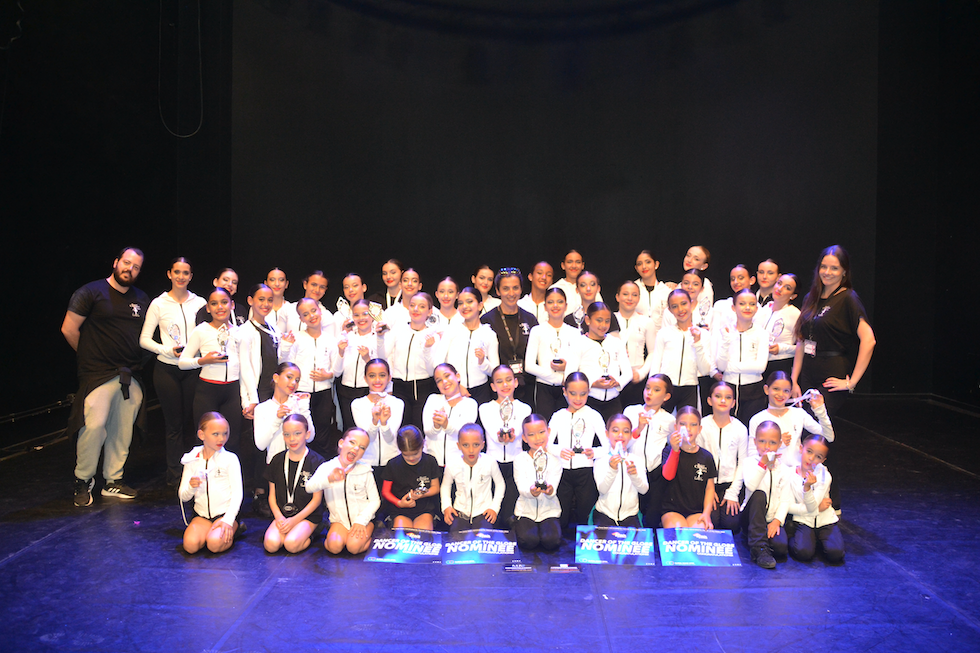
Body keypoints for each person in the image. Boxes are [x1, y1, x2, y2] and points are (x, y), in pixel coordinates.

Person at [63, 246, 149, 506]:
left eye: (135, 266)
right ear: (116, 262)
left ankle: (113, 480)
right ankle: (83, 479)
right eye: (126, 263)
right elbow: (69, 329)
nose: (129, 269)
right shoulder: (91, 292)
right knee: (94, 426)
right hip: (98, 374)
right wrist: (90, 356)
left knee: (122, 431)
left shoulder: (142, 298)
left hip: (129, 374)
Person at [140, 257, 206, 487]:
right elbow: (144, 340)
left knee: (194, 422)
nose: (181, 276)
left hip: (193, 368)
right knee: (173, 424)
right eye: (176, 271)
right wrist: (166, 350)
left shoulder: (200, 303)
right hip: (166, 369)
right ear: (169, 274)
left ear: (191, 276)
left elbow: (207, 333)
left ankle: (196, 471)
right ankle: (174, 474)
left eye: (185, 272)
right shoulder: (159, 304)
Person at [791, 245, 876, 419]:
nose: (827, 272)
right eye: (824, 266)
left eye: (834, 268)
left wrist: (851, 382)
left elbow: (869, 340)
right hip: (808, 373)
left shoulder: (848, 298)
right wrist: (794, 380)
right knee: (805, 430)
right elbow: (801, 340)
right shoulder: (811, 298)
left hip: (831, 374)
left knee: (817, 428)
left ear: (844, 271)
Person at [179, 287, 243, 458]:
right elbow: (182, 362)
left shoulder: (240, 332)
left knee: (232, 440)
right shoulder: (201, 330)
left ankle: (228, 480)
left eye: (224, 302)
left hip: (232, 391)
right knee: (205, 439)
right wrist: (203, 361)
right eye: (214, 303)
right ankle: (204, 480)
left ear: (232, 305)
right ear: (207, 308)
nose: (220, 307)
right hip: (207, 391)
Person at [281, 297, 342, 454]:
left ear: (320, 311)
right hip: (301, 393)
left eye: (314, 311)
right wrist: (286, 347)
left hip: (323, 393)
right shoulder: (296, 338)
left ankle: (320, 467)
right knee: (302, 431)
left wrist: (328, 375)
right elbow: (287, 365)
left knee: (322, 433)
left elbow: (337, 369)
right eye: (305, 314)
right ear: (301, 318)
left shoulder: (331, 340)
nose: (312, 316)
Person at [305, 427, 379, 554]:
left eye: (362, 447)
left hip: (361, 520)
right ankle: (336, 535)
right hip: (339, 521)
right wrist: (329, 479)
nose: (356, 448)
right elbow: (309, 487)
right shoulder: (327, 467)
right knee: (334, 547)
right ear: (341, 443)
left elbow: (375, 501)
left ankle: (369, 534)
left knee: (353, 547)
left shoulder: (365, 470)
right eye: (352, 442)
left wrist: (362, 521)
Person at [547, 372, 607, 530]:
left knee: (585, 513)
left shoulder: (594, 415)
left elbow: (608, 446)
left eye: (583, 394)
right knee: (561, 515)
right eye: (573, 393)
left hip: (586, 471)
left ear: (589, 392)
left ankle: (586, 541)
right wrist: (558, 450)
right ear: (564, 391)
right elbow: (546, 444)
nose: (578, 399)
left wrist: (595, 452)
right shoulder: (558, 416)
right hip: (562, 471)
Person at [178, 412, 243, 554]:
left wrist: (228, 519)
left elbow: (238, 493)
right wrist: (191, 487)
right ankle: (210, 531)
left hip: (224, 515)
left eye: (225, 433)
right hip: (202, 516)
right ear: (202, 435)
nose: (222, 438)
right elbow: (183, 496)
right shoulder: (192, 459)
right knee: (190, 546)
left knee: (214, 544)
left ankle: (235, 528)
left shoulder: (230, 459)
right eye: (215, 434)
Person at [262, 414, 325, 554]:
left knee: (291, 544)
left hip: (307, 516)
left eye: (297, 433)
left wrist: (294, 521)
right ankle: (291, 531)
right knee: (271, 545)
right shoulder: (277, 460)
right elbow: (271, 495)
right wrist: (279, 517)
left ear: (307, 434)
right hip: (283, 515)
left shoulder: (317, 462)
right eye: (287, 434)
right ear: (283, 436)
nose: (292, 439)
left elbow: (316, 500)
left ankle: (315, 531)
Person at [478, 364, 532, 526]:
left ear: (516, 382)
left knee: (510, 513)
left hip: (516, 464)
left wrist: (513, 436)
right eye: (500, 382)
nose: (505, 385)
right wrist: (503, 436)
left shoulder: (524, 409)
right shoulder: (485, 408)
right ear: (493, 387)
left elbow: (519, 436)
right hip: (492, 464)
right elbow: (495, 436)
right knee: (491, 512)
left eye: (509, 380)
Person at [748, 371, 834, 470]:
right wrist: (776, 444)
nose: (781, 394)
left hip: (796, 475)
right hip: (772, 475)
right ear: (767, 389)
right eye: (776, 389)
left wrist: (821, 411)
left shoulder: (798, 413)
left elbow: (829, 437)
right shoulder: (757, 419)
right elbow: (752, 456)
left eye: (786, 391)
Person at [642, 289, 711, 412]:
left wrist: (698, 343)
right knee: (660, 425)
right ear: (669, 310)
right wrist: (652, 389)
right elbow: (656, 362)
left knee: (686, 427)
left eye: (684, 303)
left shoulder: (703, 335)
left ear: (691, 303)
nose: (680, 309)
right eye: (675, 306)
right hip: (665, 388)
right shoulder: (664, 333)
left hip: (690, 388)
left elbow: (705, 370)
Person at [696, 381, 748, 533]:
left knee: (731, 524)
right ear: (709, 400)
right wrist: (707, 490)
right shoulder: (702, 426)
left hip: (729, 484)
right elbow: (698, 459)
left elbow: (743, 462)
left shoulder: (740, 428)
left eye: (728, 397)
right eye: (718, 396)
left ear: (734, 403)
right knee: (711, 521)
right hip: (706, 484)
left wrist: (733, 493)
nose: (723, 400)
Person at [623, 374, 675, 527]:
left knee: (652, 519)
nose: (649, 393)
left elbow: (673, 445)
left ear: (666, 396)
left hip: (655, 473)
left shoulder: (669, 420)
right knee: (632, 513)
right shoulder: (631, 412)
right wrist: (638, 428)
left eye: (656, 390)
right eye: (647, 388)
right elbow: (623, 443)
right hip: (633, 469)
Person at [481, 268, 538, 405]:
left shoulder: (530, 319)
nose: (511, 293)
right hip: (498, 388)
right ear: (498, 291)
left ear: (521, 289)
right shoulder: (486, 320)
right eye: (506, 288)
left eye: (515, 288)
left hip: (526, 386)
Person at [434, 286, 499, 405]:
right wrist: (456, 384)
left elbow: (495, 372)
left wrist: (482, 361)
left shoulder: (489, 334)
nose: (464, 306)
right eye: (460, 303)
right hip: (454, 390)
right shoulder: (451, 330)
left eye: (469, 302)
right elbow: (438, 363)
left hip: (481, 391)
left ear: (480, 305)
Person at [382, 292, 439, 428]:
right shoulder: (398, 330)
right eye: (412, 305)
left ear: (430, 311)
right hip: (400, 386)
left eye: (421, 306)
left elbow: (433, 371)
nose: (415, 309)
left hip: (424, 387)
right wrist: (379, 339)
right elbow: (383, 355)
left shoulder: (433, 336)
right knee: (401, 430)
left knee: (420, 430)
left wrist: (427, 349)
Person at [740, 420, 792, 569]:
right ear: (755, 442)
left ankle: (762, 538)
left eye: (772, 442)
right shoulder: (750, 462)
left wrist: (776, 521)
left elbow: (785, 500)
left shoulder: (784, 469)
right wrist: (762, 464)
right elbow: (750, 485)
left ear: (780, 444)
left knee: (781, 548)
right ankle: (759, 548)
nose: (767, 447)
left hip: (770, 519)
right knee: (759, 494)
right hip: (750, 516)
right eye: (762, 441)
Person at [785, 434, 845, 563]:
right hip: (803, 519)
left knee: (836, 554)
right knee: (803, 553)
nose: (811, 458)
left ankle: (817, 540)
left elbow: (812, 506)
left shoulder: (824, 476)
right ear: (801, 449)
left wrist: (807, 491)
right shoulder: (789, 474)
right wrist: (808, 491)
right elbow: (788, 506)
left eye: (818, 457)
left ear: (823, 460)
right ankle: (795, 536)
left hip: (825, 519)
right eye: (809, 452)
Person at [524, 287, 580, 420]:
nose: (555, 306)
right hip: (544, 387)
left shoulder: (574, 332)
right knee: (545, 425)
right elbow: (529, 365)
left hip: (567, 388)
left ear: (566, 306)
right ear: (545, 306)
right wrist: (559, 379)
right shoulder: (537, 331)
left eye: (560, 302)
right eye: (550, 302)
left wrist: (567, 370)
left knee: (566, 425)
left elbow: (577, 362)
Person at [714, 288, 769, 422]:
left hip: (754, 390)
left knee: (752, 431)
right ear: (734, 307)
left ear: (756, 308)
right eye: (742, 303)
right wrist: (726, 342)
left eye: (752, 304)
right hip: (728, 389)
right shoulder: (725, 331)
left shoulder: (761, 333)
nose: (747, 307)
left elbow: (760, 367)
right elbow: (720, 365)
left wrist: (729, 367)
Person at [440, 423, 504, 534]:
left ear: (482, 445)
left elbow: (500, 485)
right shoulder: (452, 464)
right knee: (456, 540)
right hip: (460, 512)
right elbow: (445, 486)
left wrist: (494, 508)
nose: (471, 450)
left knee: (483, 541)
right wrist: (446, 507)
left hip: (484, 512)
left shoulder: (490, 462)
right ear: (458, 446)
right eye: (465, 445)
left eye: (475, 445)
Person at [573, 302, 631, 421]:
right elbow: (571, 375)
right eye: (599, 320)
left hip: (613, 401)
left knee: (612, 437)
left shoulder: (616, 342)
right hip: (588, 401)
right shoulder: (579, 343)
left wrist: (617, 382)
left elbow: (628, 373)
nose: (603, 325)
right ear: (588, 320)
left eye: (607, 321)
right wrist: (592, 384)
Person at [351, 358, 405, 487]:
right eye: (372, 376)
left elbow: (389, 438)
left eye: (382, 375)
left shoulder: (397, 403)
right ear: (365, 378)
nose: (377, 380)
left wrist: (384, 423)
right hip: (366, 462)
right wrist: (375, 421)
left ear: (389, 377)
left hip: (392, 461)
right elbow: (368, 438)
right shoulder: (357, 404)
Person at [660, 407, 716, 530]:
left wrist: (706, 514)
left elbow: (710, 488)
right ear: (676, 427)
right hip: (672, 510)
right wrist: (675, 450)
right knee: (679, 533)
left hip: (696, 511)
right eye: (683, 424)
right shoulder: (668, 451)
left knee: (699, 536)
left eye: (693, 424)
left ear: (700, 429)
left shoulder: (706, 457)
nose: (688, 428)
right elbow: (668, 475)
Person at [513, 415, 563, 550]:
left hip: (549, 510)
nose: (538, 438)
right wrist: (531, 491)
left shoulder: (555, 460)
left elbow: (554, 486)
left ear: (549, 432)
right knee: (528, 542)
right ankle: (519, 524)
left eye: (542, 432)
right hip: (525, 512)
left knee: (551, 542)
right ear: (524, 438)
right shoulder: (519, 459)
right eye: (531, 434)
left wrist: (550, 490)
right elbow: (521, 487)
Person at [336, 299, 385, 431]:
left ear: (373, 315)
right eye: (356, 315)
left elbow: (383, 365)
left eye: (365, 314)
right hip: (346, 389)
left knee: (367, 428)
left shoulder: (378, 337)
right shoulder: (347, 336)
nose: (361, 318)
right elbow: (336, 372)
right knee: (349, 428)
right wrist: (340, 351)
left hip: (367, 390)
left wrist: (367, 358)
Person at [381, 425, 442, 530]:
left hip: (424, 509)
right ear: (400, 450)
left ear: (422, 445)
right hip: (400, 510)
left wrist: (421, 494)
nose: (411, 458)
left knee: (422, 535)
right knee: (403, 537)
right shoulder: (393, 464)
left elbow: (435, 488)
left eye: (415, 454)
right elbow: (385, 491)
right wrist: (399, 503)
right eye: (406, 455)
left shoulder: (430, 461)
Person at [593, 414, 648, 528]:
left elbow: (644, 490)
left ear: (630, 435)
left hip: (630, 515)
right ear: (607, 434)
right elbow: (602, 490)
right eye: (615, 430)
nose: (620, 435)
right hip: (604, 514)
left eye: (626, 431)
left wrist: (634, 475)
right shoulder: (601, 460)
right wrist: (612, 470)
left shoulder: (636, 460)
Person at [422, 363, 478, 466]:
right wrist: (436, 426)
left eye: (447, 376)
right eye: (439, 380)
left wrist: (446, 425)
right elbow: (427, 432)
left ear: (457, 376)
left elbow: (463, 435)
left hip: (458, 465)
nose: (444, 382)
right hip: (431, 464)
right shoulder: (432, 399)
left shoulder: (470, 404)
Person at [613, 280, 656, 408]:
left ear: (639, 298)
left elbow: (653, 351)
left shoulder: (647, 322)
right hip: (615, 377)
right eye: (625, 294)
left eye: (634, 294)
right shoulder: (609, 319)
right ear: (617, 297)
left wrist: (642, 373)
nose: (630, 298)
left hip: (637, 379)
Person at [757, 273, 800, 378]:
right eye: (779, 283)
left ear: (793, 296)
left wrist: (781, 348)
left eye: (787, 288)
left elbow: (803, 348)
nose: (780, 289)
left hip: (779, 365)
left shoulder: (795, 314)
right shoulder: (765, 308)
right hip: (759, 363)